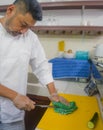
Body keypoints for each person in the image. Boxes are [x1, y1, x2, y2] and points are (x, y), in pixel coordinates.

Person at [0, 0, 69, 130]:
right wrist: (13, 96)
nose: (24, 32)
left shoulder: (30, 38)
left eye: (29, 27)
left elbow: (42, 66)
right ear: (10, 10)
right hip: (14, 100)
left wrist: (53, 93)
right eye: (23, 24)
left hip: (12, 114)